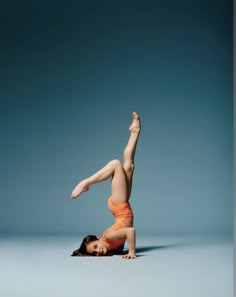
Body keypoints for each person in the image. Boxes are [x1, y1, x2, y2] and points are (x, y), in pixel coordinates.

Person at [70, 112, 141, 259]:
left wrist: (132, 252)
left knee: (115, 164)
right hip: (122, 206)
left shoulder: (108, 236)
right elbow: (126, 234)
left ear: (99, 238)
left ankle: (85, 183)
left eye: (96, 246)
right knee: (129, 166)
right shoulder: (113, 248)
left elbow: (130, 231)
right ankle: (135, 131)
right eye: (94, 253)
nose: (98, 251)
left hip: (119, 204)